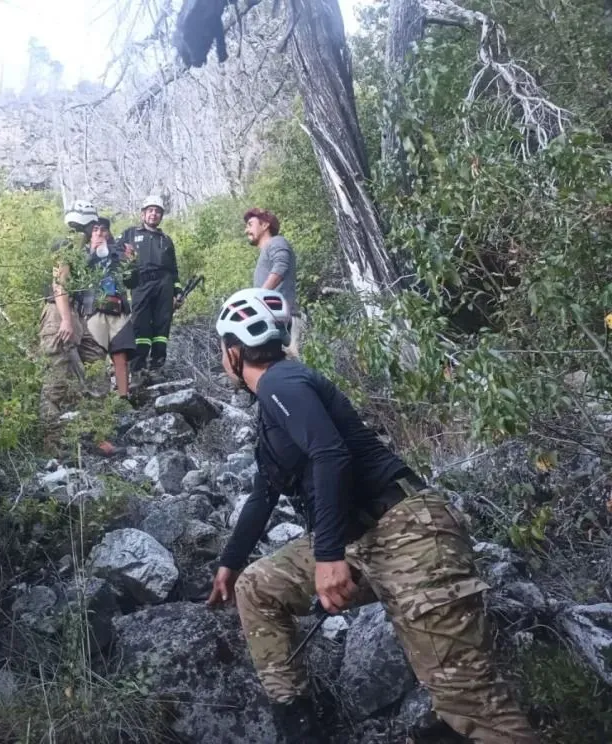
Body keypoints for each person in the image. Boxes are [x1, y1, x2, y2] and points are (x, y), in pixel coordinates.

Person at [206, 287, 541, 744]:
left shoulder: (283, 383)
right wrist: (231, 561)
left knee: (473, 705)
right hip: (360, 539)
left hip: (409, 533)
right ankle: (300, 725)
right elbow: (264, 492)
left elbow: (331, 455)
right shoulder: (273, 406)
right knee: (257, 586)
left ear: (233, 352)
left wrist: (327, 556)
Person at [38, 199, 118, 455]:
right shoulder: (63, 246)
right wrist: (65, 320)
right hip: (59, 314)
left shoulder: (84, 251)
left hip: (80, 316)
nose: (96, 229)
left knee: (97, 370)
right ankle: (52, 444)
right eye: (92, 224)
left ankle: (98, 435)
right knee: (57, 380)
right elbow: (59, 285)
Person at [119, 195, 183, 384]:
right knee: (140, 326)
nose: (154, 214)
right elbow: (116, 257)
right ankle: (137, 370)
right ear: (143, 214)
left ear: (161, 216)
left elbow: (174, 270)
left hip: (164, 284)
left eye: (158, 211)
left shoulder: (166, 240)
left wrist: (177, 291)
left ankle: (157, 367)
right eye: (150, 211)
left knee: (162, 328)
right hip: (141, 284)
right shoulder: (129, 234)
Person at [83, 216, 136, 399]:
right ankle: (98, 401)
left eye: (103, 229)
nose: (99, 233)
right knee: (95, 357)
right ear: (90, 233)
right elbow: (78, 278)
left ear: (109, 232)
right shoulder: (82, 253)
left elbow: (132, 282)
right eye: (96, 229)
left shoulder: (117, 253)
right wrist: (92, 252)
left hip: (118, 309)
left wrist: (131, 262)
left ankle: (123, 397)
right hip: (94, 310)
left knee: (121, 354)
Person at [244, 207, 302, 352]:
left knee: (289, 366)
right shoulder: (267, 250)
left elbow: (280, 267)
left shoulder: (276, 242)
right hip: (273, 320)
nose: (246, 230)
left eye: (250, 224)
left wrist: (258, 298)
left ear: (264, 225)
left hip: (283, 320)